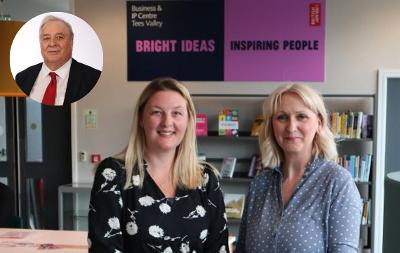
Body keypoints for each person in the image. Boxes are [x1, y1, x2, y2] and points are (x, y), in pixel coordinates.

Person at [88, 77, 229, 253]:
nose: (167, 122)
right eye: (157, 112)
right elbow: (104, 248)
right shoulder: (114, 174)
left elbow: (218, 248)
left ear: (188, 121)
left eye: (177, 113)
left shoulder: (206, 178)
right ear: (141, 119)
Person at [235, 84, 362, 252]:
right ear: (272, 126)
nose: (291, 127)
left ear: (319, 122)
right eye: (282, 117)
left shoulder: (337, 183)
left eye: (301, 116)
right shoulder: (259, 185)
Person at [15, 15, 101, 106]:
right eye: (46, 38)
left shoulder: (93, 78)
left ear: (71, 41)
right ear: (40, 43)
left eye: (59, 37)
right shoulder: (22, 78)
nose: (52, 43)